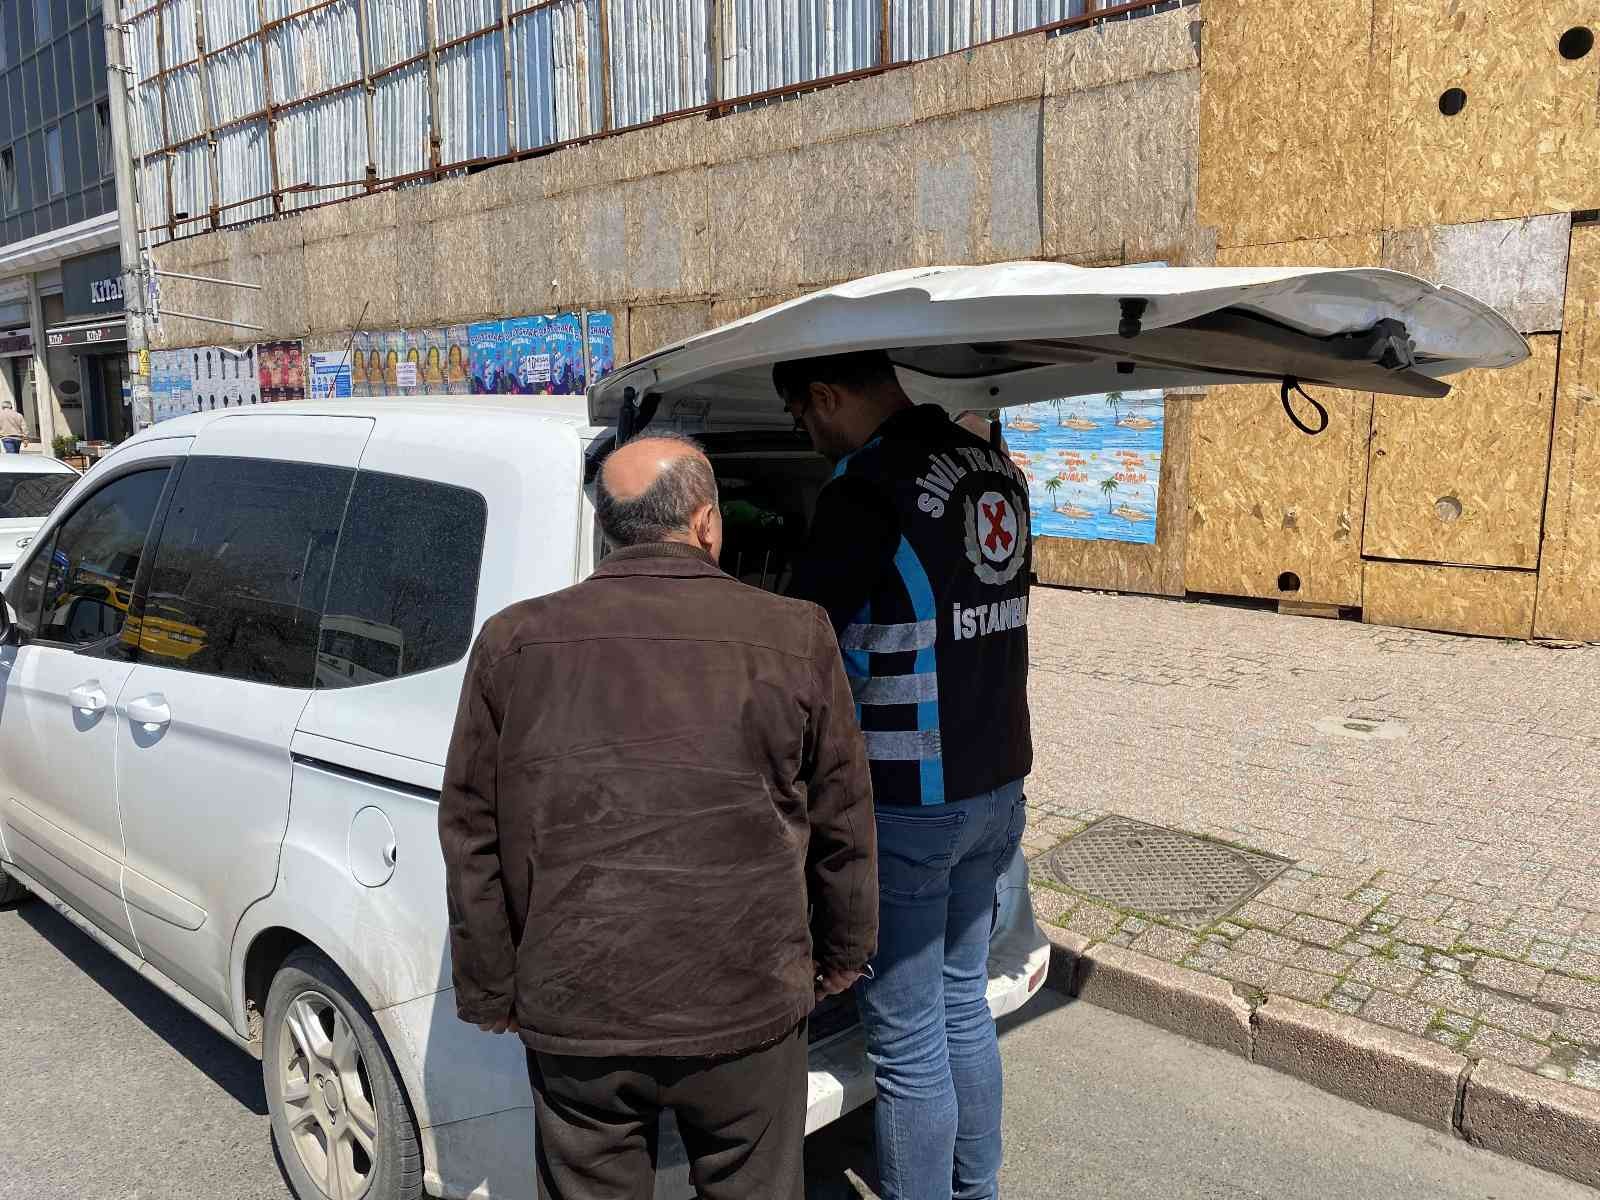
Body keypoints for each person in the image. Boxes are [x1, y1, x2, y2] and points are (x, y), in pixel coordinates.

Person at [439, 433, 877, 1200]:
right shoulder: (797, 635)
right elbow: (843, 819)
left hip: (579, 1008)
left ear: (606, 530)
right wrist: (843, 955)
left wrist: (491, 989)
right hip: (747, 1004)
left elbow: (471, 831)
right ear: (708, 523)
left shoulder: (512, 642)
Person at [780, 351, 1033, 1200]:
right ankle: (978, 1189)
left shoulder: (865, 488)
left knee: (909, 1035)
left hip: (912, 798)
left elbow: (801, 648)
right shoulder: (991, 467)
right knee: (963, 1000)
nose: (807, 439)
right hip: (997, 781)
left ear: (826, 396)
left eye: (802, 422)